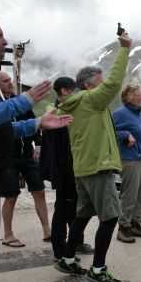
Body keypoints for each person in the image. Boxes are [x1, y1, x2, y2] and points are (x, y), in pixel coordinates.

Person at [54, 31, 132, 282]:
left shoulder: (77, 103)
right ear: (87, 85)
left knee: (83, 215)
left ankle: (67, 258)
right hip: (98, 169)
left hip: (84, 169)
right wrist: (125, 48)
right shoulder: (90, 100)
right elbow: (113, 84)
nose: (103, 88)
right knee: (110, 218)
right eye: (98, 82)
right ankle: (98, 268)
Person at [0, 19, 73, 268]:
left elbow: (5, 127)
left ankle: (46, 229)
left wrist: (37, 123)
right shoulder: (14, 100)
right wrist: (25, 100)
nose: (5, 42)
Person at [0, 71, 51, 248]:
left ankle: (47, 230)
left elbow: (33, 124)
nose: (10, 84)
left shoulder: (20, 104)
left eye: (10, 80)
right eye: (5, 81)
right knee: (11, 196)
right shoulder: (0, 105)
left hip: (26, 155)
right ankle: (8, 234)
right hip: (8, 159)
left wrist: (39, 144)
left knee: (39, 190)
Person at [40, 77, 94, 260]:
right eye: (73, 90)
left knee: (71, 207)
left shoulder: (57, 111)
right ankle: (60, 250)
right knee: (64, 208)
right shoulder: (59, 113)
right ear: (64, 91)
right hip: (65, 170)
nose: (77, 94)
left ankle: (75, 242)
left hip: (66, 169)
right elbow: (63, 148)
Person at [113, 84, 141, 243]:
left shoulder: (137, 115)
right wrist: (125, 135)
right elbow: (110, 132)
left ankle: (136, 224)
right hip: (130, 159)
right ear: (128, 96)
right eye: (138, 94)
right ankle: (123, 227)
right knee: (129, 195)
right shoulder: (120, 113)